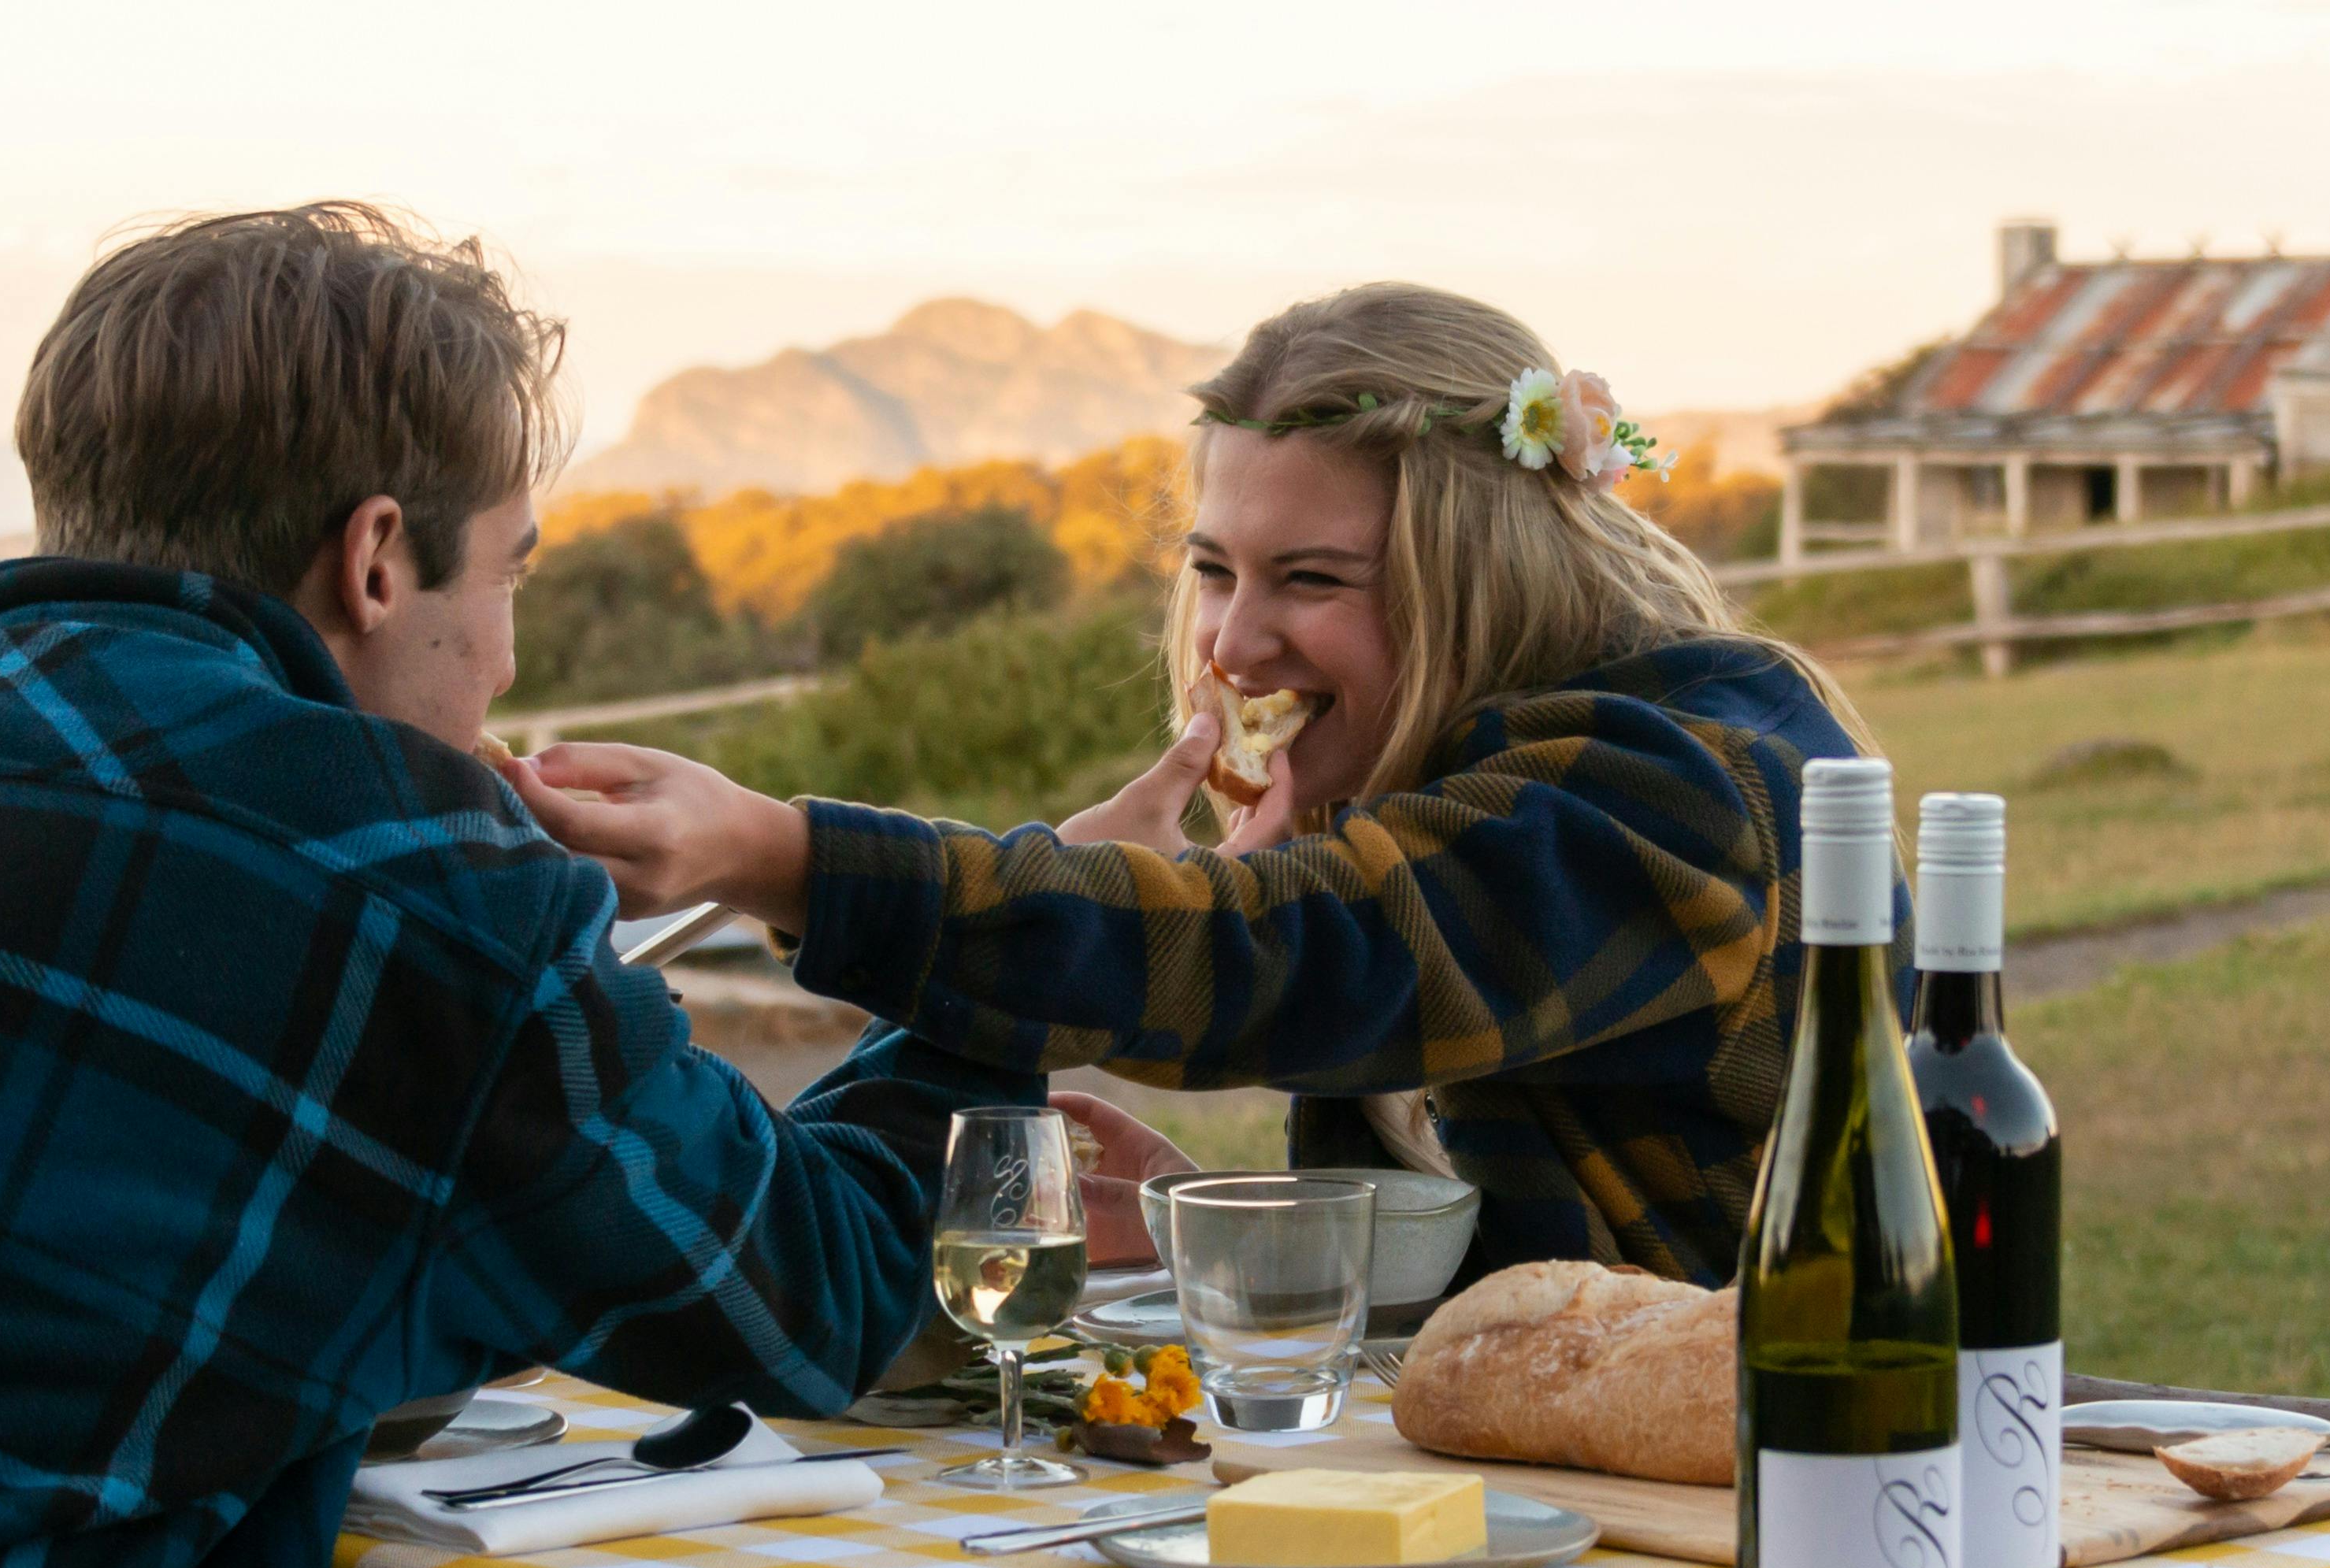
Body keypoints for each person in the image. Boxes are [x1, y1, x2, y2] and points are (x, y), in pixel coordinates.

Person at [0, 203, 1037, 1568]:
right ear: (376, 559)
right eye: (509, 577)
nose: (502, 664)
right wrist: (997, 954)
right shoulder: (416, 880)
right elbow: (823, 1299)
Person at [507, 282, 1907, 1295]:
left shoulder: (1680, 793)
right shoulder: (1436, 773)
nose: (1234, 641)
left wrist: (783, 856)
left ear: (1483, 578)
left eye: (1311, 580)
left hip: (1778, 1496)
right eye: (1215, 568)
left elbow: (1290, 956)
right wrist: (1212, 1219)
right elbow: (1493, 1274)